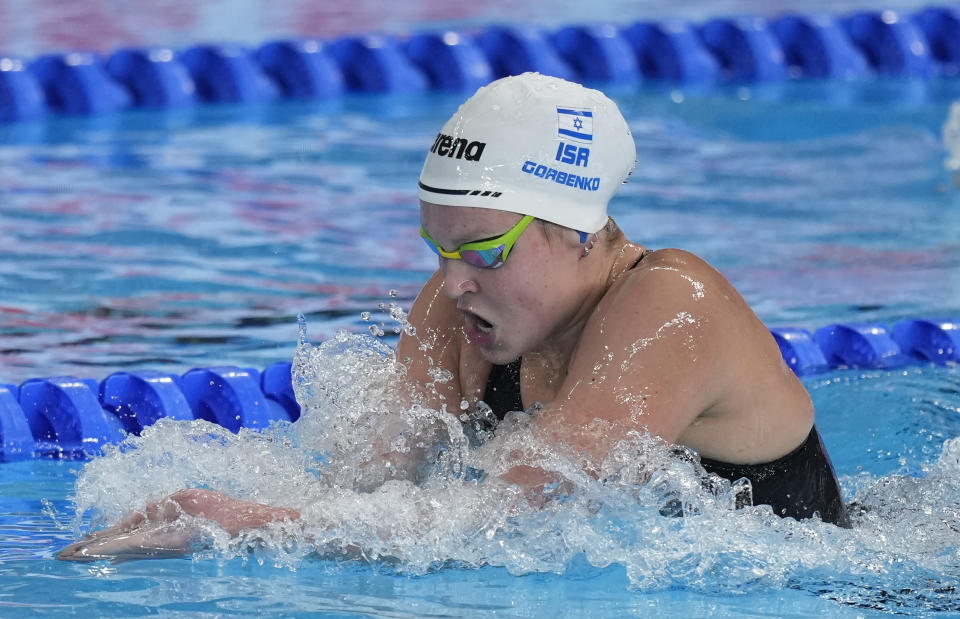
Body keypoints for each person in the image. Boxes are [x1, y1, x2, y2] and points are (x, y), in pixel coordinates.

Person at [58, 72, 849, 562]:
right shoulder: (460, 301)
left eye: (485, 251)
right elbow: (372, 494)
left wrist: (229, 519)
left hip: (819, 603)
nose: (451, 282)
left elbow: (499, 514)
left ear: (576, 230)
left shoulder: (671, 306)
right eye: (437, 248)